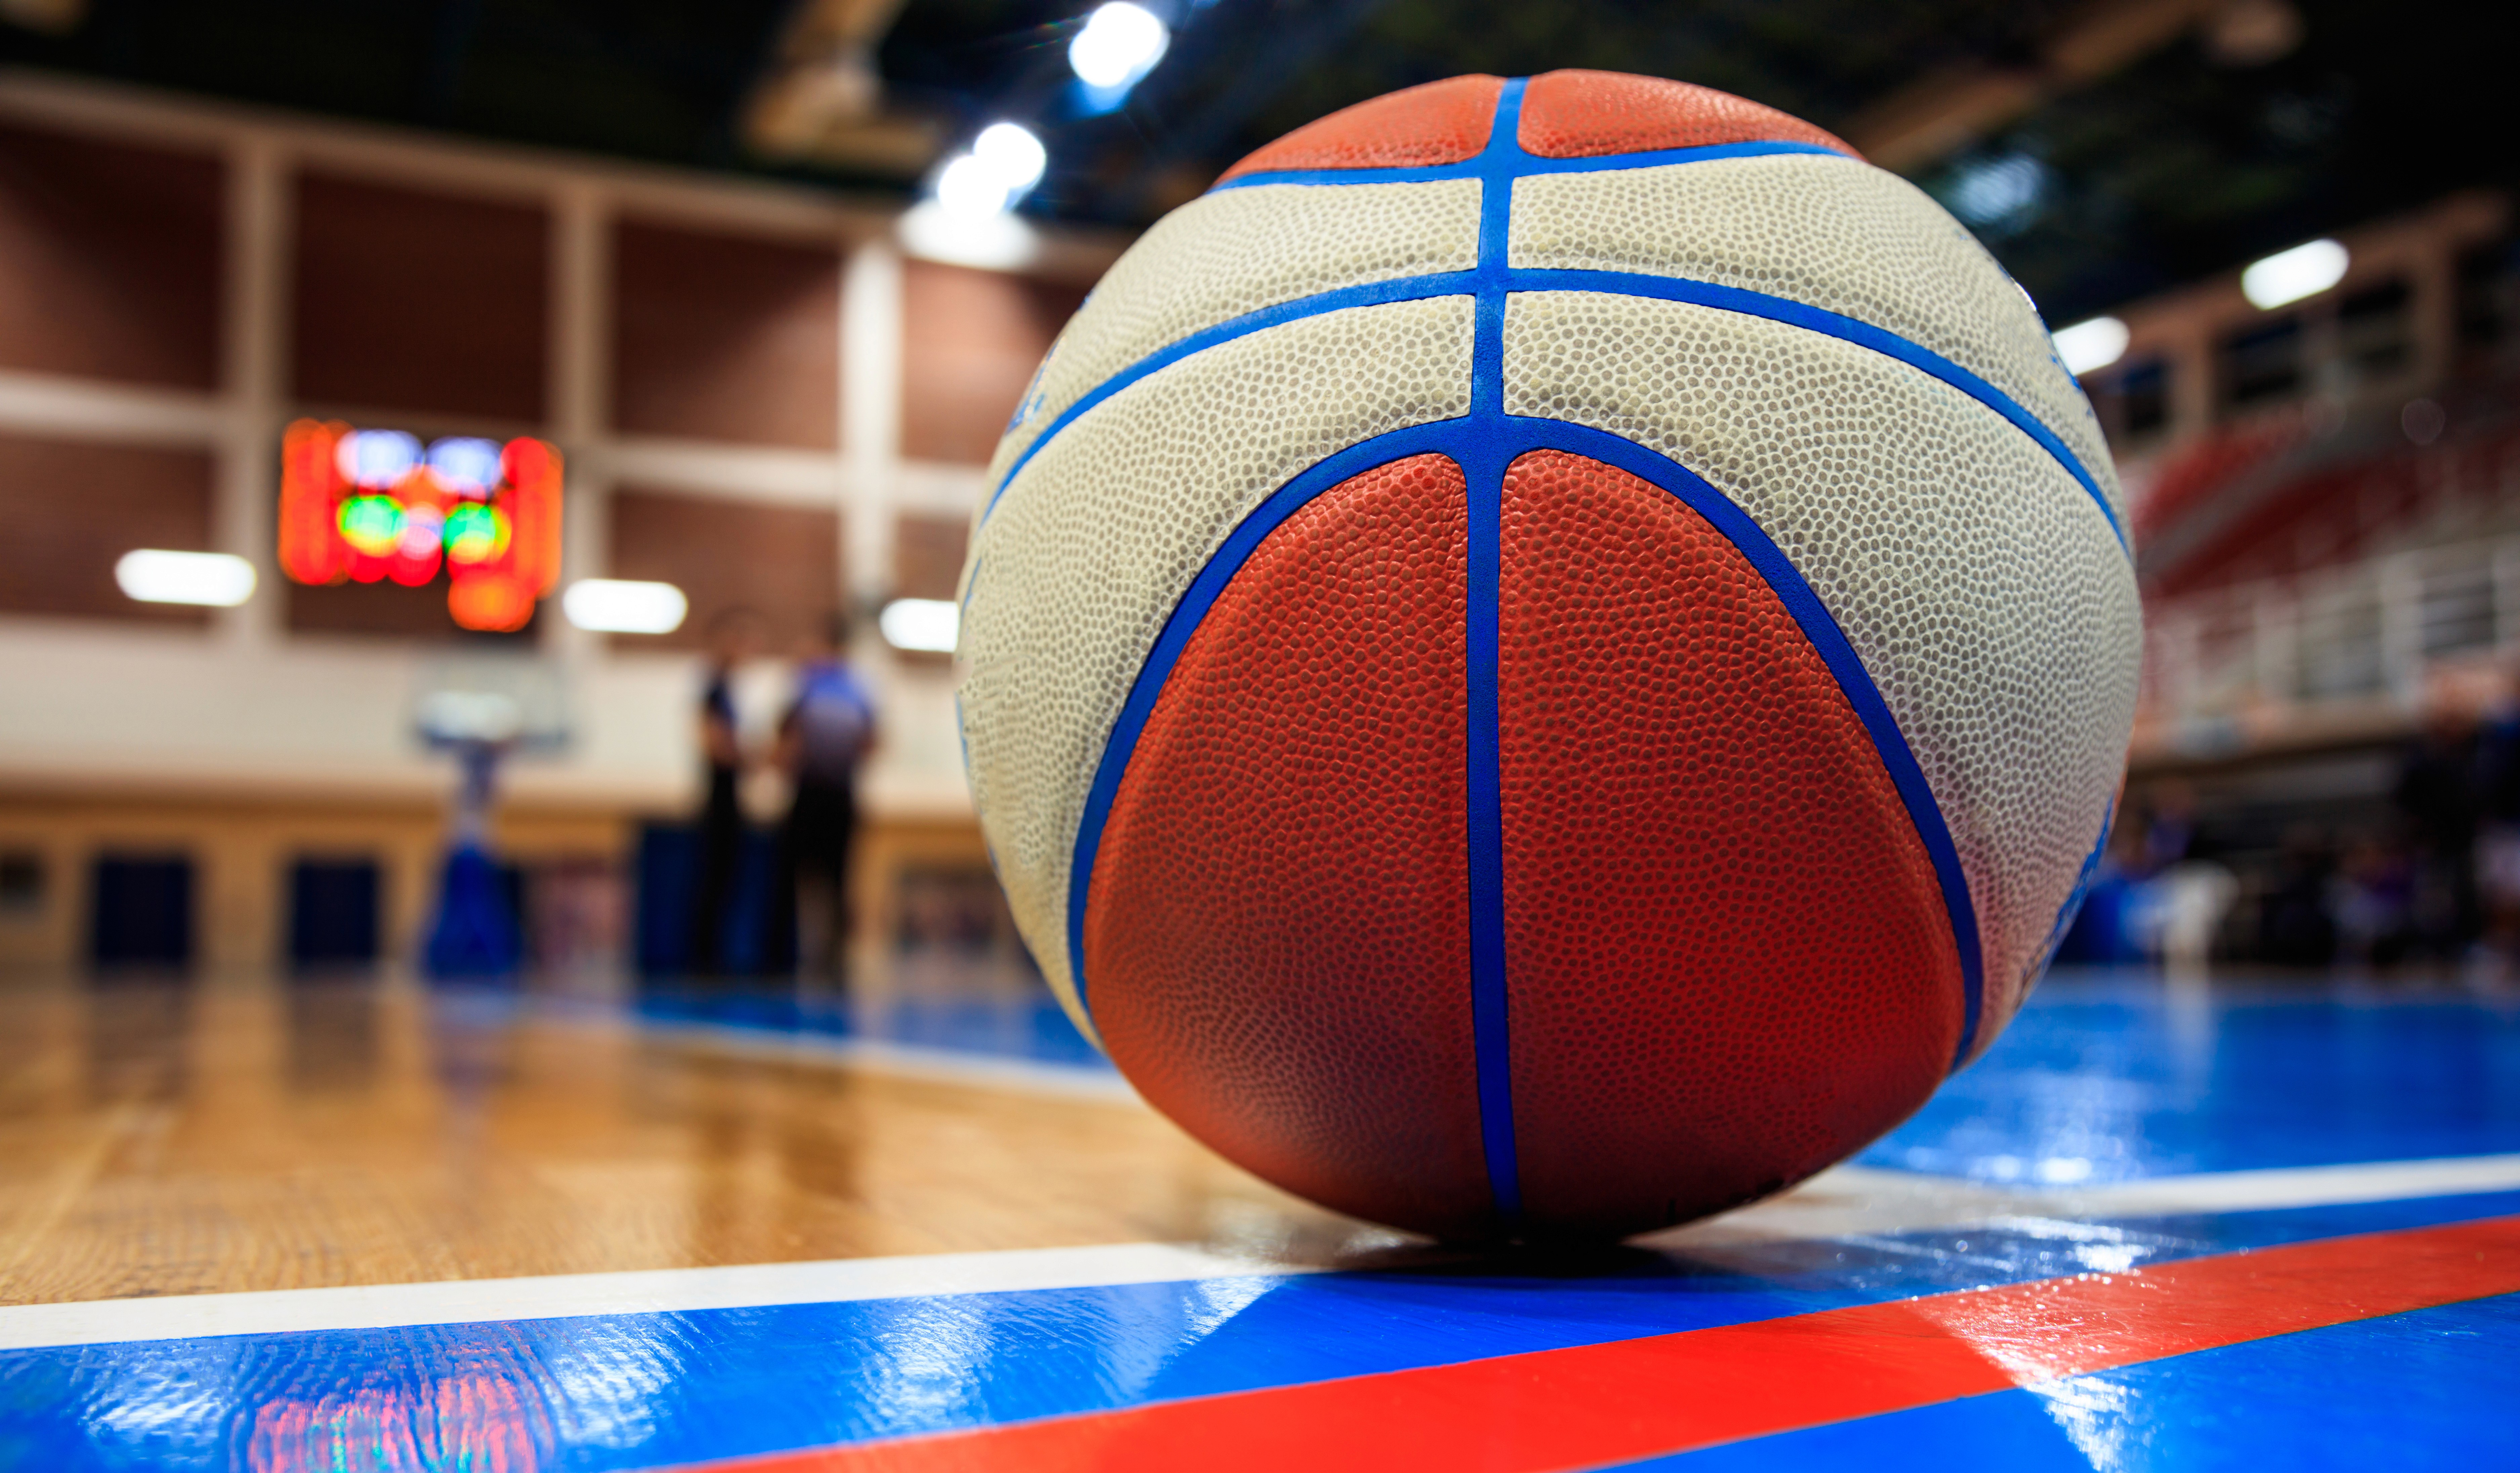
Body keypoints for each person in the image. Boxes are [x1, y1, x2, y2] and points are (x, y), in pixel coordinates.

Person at [770, 611, 878, 982]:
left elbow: (871, 743)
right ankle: (804, 957)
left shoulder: (823, 686)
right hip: (825, 794)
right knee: (814, 878)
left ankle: (825, 958)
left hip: (825, 794)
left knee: (828, 878)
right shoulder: (839, 688)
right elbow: (871, 743)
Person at [687, 606, 760, 978]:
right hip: (718, 795)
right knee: (714, 878)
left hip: (730, 794)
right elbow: (713, 744)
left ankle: (714, 956)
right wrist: (752, 758)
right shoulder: (713, 689)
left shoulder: (727, 691)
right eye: (738, 639)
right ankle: (705, 961)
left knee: (726, 879)